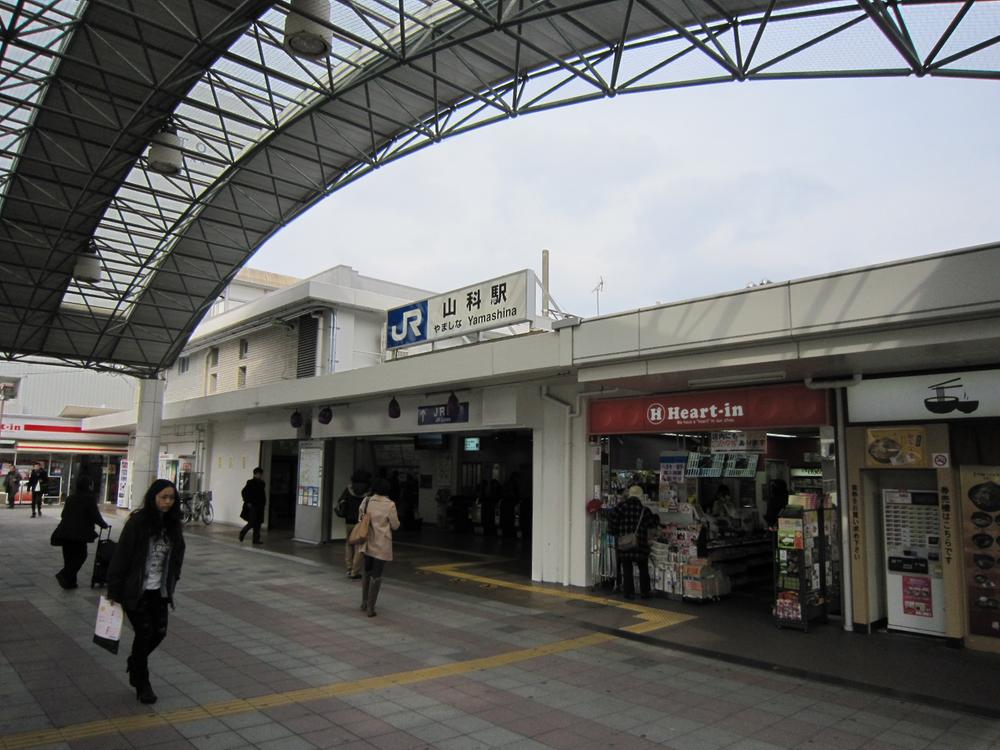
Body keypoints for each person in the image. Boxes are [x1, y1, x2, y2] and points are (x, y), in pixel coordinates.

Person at [106, 479, 185, 705]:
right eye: (163, 497)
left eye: (171, 498)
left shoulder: (173, 525)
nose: (167, 502)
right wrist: (114, 588)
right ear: (153, 497)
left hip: (158, 591)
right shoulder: (137, 523)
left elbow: (178, 554)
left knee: (159, 632)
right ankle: (142, 683)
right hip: (136, 590)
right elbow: (122, 555)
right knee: (144, 632)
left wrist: (173, 579)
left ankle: (135, 663)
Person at [52, 476, 110, 589]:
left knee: (69, 558)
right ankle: (64, 574)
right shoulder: (89, 499)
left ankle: (70, 582)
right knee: (81, 556)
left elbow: (63, 514)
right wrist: (104, 524)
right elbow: (95, 515)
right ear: (88, 485)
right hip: (78, 534)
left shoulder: (71, 498)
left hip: (65, 532)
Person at [358, 477, 399, 617]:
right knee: (377, 575)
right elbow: (395, 525)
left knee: (367, 572)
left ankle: (364, 602)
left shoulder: (366, 501)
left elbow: (360, 519)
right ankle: (371, 608)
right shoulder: (390, 505)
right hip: (381, 544)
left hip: (367, 542)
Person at [611, 485, 661, 600]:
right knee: (643, 568)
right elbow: (652, 524)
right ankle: (645, 592)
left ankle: (628, 593)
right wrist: (657, 517)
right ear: (640, 496)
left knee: (627, 567)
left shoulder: (620, 508)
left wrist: (617, 534)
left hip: (624, 544)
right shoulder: (644, 510)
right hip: (640, 544)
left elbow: (612, 524)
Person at [339, 470, 370, 578]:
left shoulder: (349, 489)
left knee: (349, 544)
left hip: (348, 521)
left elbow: (341, 501)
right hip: (360, 522)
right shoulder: (369, 491)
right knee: (359, 546)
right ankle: (354, 572)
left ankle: (348, 567)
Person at [238, 467, 267, 544]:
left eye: (261, 474)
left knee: (258, 523)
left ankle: (256, 540)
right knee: (252, 522)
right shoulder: (250, 482)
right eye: (259, 474)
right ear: (255, 474)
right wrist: (248, 502)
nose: (260, 475)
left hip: (260, 505)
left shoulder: (262, 483)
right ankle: (242, 532)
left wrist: (264, 503)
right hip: (253, 505)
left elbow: (262, 495)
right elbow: (244, 492)